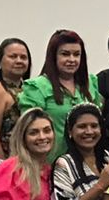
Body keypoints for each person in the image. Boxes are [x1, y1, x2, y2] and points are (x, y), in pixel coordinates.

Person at [17, 29, 100, 162]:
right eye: (65, 54)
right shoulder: (37, 87)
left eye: (76, 54)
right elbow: (29, 131)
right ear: (53, 56)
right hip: (48, 162)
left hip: (86, 162)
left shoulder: (90, 83)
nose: (71, 60)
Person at [0, 38, 32, 159]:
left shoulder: (30, 89)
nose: (19, 61)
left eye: (23, 57)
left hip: (30, 159)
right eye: (13, 56)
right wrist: (3, 169)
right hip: (8, 160)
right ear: (0, 62)